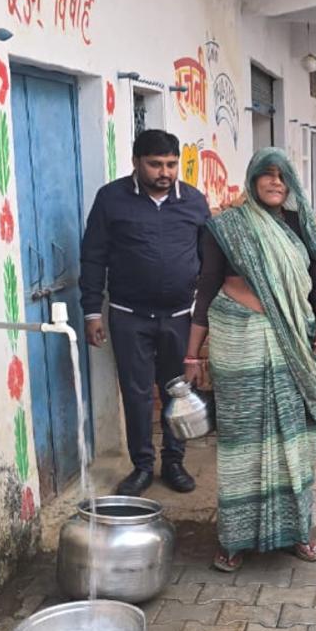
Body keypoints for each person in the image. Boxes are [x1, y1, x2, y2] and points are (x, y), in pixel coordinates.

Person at [183, 149, 316, 572]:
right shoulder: (227, 227)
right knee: (241, 443)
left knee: (295, 441)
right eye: (266, 175)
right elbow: (206, 287)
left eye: (282, 176)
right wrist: (191, 354)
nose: (275, 183)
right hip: (238, 341)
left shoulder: (299, 223)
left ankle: (298, 532)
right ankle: (234, 539)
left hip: (293, 340)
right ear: (252, 180)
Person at [81, 128, 210, 496]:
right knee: (136, 393)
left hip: (179, 317)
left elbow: (209, 261)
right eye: (155, 164)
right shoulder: (111, 199)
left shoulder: (194, 202)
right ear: (136, 162)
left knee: (177, 391)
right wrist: (92, 312)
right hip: (129, 315)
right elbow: (93, 257)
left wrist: (204, 315)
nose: (164, 172)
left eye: (171, 164)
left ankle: (174, 463)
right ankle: (141, 466)